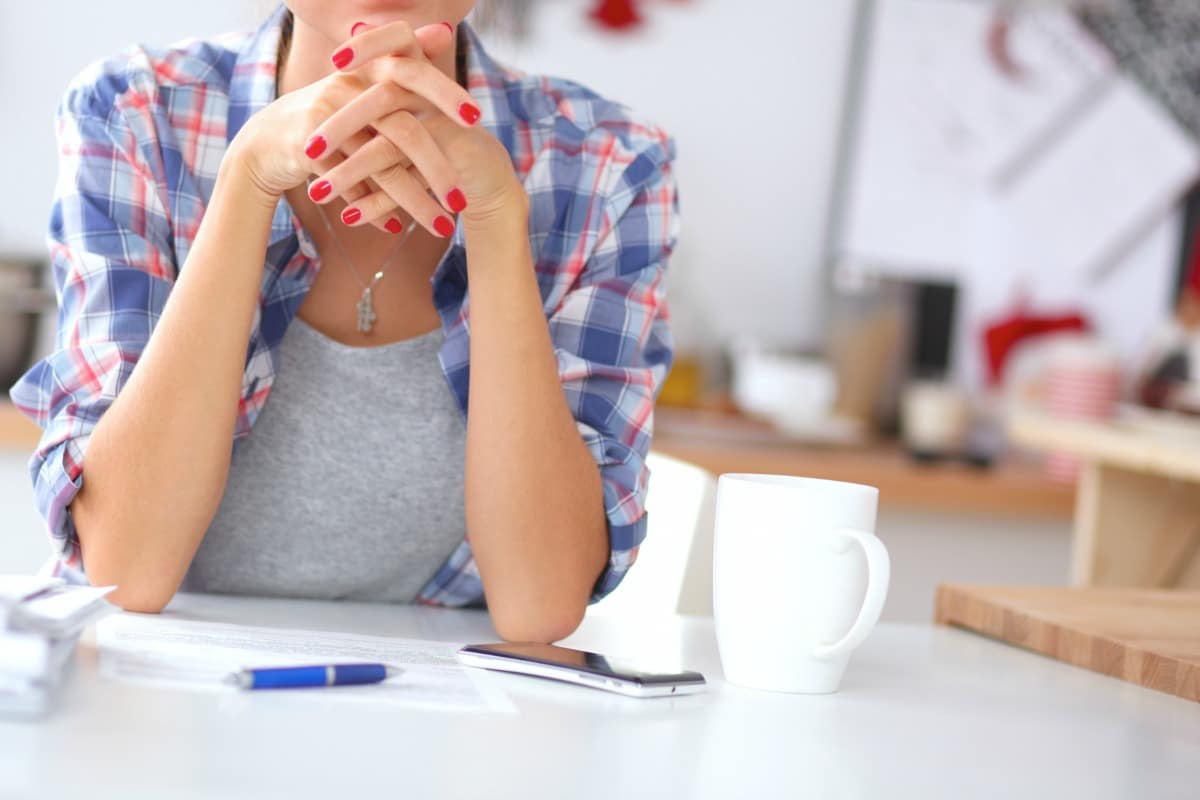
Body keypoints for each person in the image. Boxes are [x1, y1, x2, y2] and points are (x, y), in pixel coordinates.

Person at [7, 1, 679, 643]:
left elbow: (541, 604)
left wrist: (496, 216)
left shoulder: (610, 163)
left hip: (458, 714)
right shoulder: (136, 110)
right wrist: (249, 176)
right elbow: (123, 571)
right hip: (158, 699)